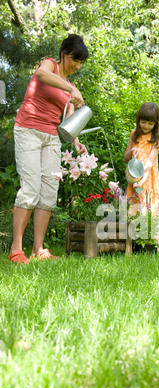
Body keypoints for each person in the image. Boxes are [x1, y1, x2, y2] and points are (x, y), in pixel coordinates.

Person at [8, 34, 88, 264]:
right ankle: (16, 249)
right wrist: (70, 89)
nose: (77, 66)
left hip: (51, 136)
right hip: (29, 130)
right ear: (64, 54)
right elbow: (41, 75)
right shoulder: (50, 64)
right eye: (75, 60)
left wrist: (75, 140)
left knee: (48, 192)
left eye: (81, 63)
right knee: (30, 188)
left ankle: (38, 249)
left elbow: (69, 120)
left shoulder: (71, 88)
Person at [124, 102, 159, 217]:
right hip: (135, 177)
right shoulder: (134, 135)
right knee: (134, 213)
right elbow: (126, 158)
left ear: (155, 124)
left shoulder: (156, 139)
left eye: (150, 123)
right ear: (138, 120)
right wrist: (131, 152)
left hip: (148, 179)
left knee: (149, 212)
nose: (146, 126)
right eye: (143, 122)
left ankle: (152, 234)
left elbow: (149, 164)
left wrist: (141, 182)